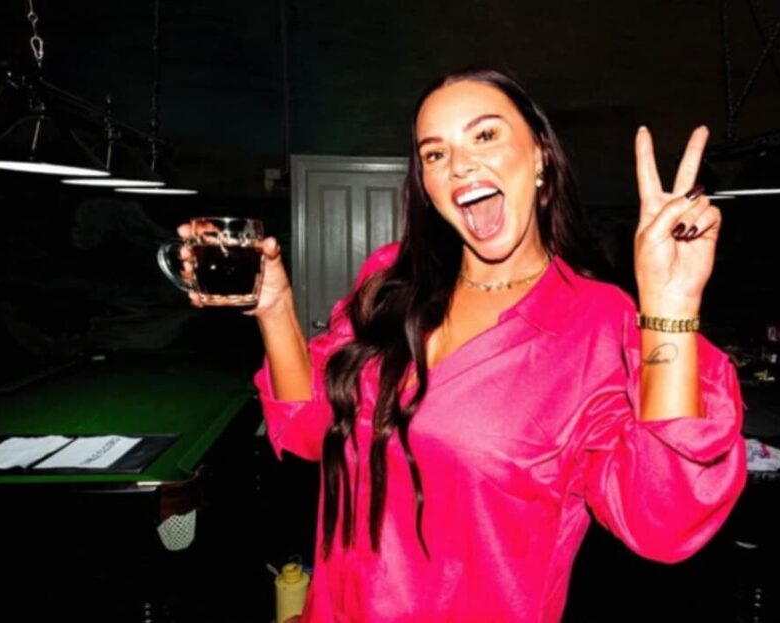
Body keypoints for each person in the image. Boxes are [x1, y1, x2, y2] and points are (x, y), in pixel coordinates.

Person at [186, 68, 746, 622]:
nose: (458, 164)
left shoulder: (597, 322)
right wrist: (274, 305)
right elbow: (309, 431)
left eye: (485, 135)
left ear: (539, 157)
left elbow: (664, 520)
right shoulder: (391, 281)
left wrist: (670, 307)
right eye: (434, 154)